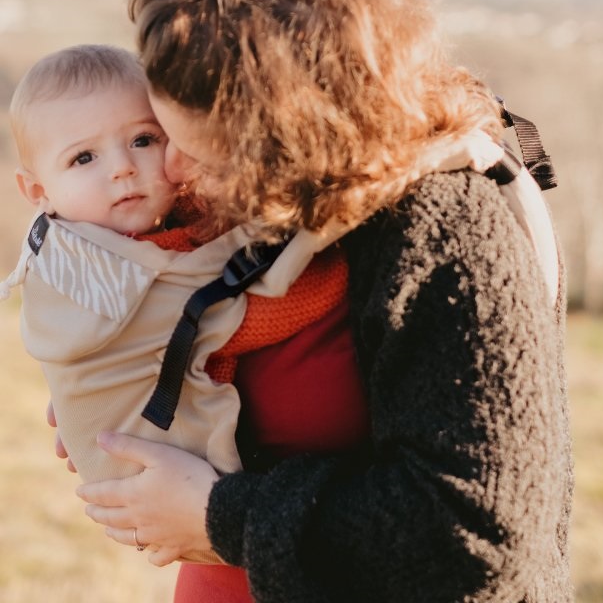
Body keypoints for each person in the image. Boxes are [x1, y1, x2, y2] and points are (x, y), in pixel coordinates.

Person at [75, 0, 574, 602]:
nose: (173, 172)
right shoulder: (283, 199)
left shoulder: (448, 236)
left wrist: (219, 516)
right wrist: (117, 400)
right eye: (166, 135)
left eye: (204, 154)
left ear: (294, 140)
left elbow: (475, 533)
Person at [3, 45, 351, 560]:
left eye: (143, 140)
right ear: (38, 191)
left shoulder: (75, 240)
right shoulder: (118, 274)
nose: (123, 168)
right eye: (84, 157)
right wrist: (352, 257)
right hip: (184, 490)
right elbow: (261, 308)